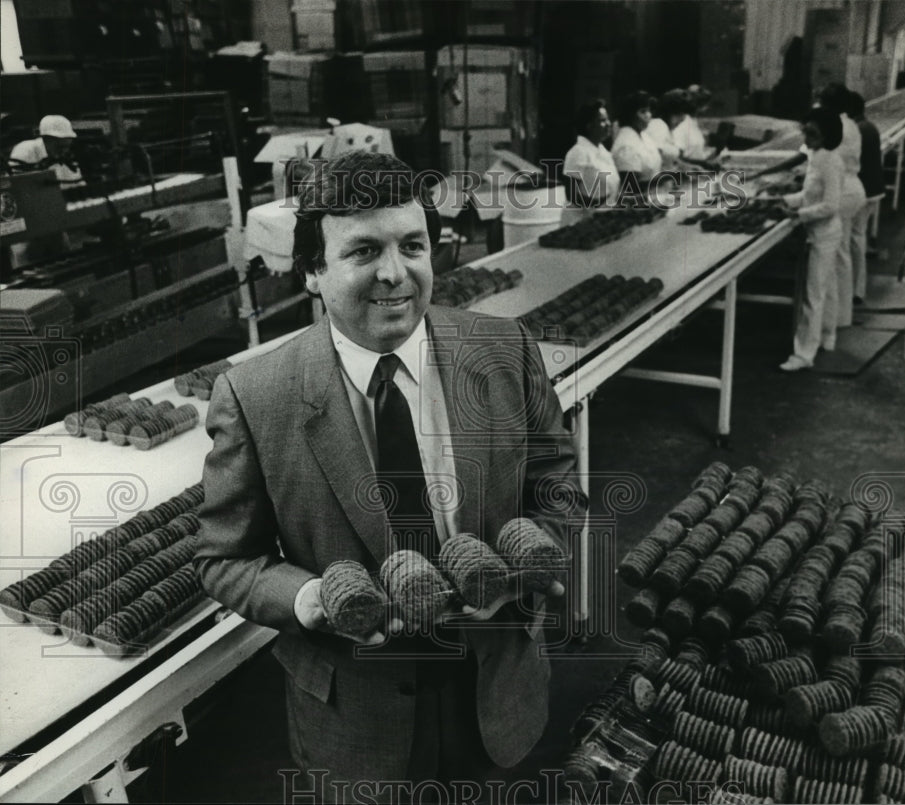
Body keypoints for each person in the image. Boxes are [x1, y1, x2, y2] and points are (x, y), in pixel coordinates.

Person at [194, 150, 587, 799]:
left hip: (492, 680)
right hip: (356, 714)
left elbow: (558, 488)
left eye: (413, 245)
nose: (394, 274)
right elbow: (223, 558)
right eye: (363, 251)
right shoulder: (255, 397)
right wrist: (312, 600)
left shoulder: (503, 349)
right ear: (313, 272)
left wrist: (523, 573)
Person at [779, 108, 844, 372]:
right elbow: (810, 194)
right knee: (823, 288)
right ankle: (827, 338)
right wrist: (784, 199)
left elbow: (830, 205)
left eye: (812, 133)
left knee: (813, 295)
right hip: (818, 232)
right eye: (806, 131)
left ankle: (804, 354)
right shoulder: (817, 156)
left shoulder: (831, 161)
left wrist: (798, 214)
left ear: (826, 135)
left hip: (824, 233)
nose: (806, 137)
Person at [818, 83, 866, 328]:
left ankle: (831, 319)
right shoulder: (850, 124)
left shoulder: (836, 126)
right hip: (852, 187)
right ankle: (841, 316)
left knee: (832, 255)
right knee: (842, 253)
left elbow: (815, 156)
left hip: (842, 191)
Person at [846, 90, 885, 305]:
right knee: (858, 238)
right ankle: (856, 288)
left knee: (855, 239)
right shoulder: (869, 126)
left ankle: (855, 291)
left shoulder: (858, 130)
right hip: (873, 189)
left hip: (864, 192)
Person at [562, 99, 620, 224]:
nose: (609, 124)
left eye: (608, 119)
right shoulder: (578, 152)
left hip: (604, 217)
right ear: (589, 125)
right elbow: (570, 194)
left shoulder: (602, 150)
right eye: (603, 121)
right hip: (581, 221)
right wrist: (597, 203)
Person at [8, 115, 84, 187]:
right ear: (46, 139)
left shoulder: (66, 158)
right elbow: (16, 186)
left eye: (67, 146)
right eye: (60, 147)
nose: (64, 151)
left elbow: (77, 185)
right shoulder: (24, 151)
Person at [611, 91, 662, 186]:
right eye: (643, 112)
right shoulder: (626, 143)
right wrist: (664, 180)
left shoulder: (644, 136)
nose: (648, 115)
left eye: (649, 111)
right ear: (630, 115)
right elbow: (630, 185)